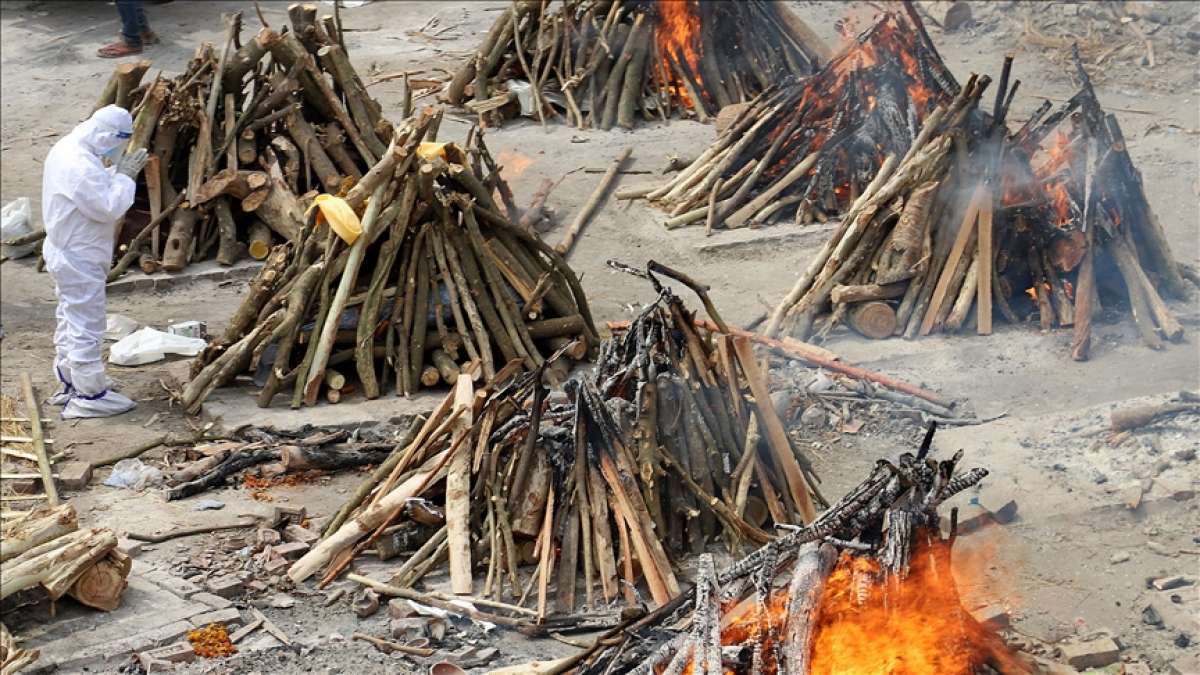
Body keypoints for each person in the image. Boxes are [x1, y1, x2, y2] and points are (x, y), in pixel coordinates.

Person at [41, 105, 148, 418]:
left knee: (70, 317)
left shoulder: (71, 149)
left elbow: (94, 189)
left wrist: (114, 173)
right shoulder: (79, 164)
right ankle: (90, 395)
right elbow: (106, 206)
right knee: (86, 323)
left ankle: (71, 379)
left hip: (69, 249)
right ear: (105, 135)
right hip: (79, 255)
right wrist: (126, 177)